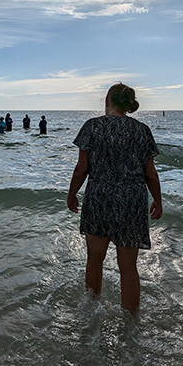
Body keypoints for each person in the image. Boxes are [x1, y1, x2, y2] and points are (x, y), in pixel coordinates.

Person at [67, 83, 163, 313]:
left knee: (94, 260)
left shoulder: (92, 126)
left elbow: (82, 169)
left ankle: (91, 311)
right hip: (132, 200)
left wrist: (71, 194)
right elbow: (150, 173)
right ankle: (131, 323)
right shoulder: (142, 130)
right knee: (128, 268)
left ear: (107, 99)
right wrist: (158, 201)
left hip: (99, 197)